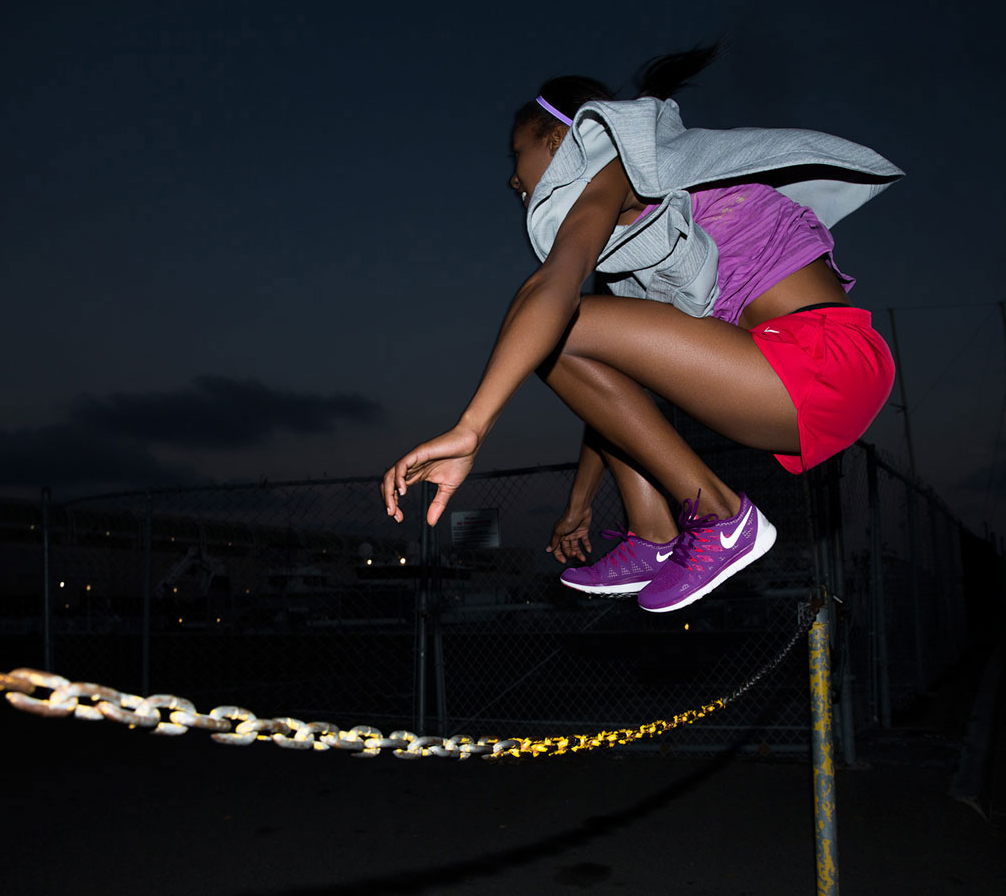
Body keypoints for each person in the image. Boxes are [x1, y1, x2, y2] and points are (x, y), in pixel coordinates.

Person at [380, 46, 902, 613]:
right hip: (795, 386)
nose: (512, 178)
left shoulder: (621, 167)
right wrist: (581, 500)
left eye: (517, 154)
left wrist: (472, 428)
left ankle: (721, 516)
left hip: (825, 359)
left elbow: (553, 285)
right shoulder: (637, 243)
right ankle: (653, 534)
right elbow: (609, 394)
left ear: (558, 141)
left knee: (553, 321)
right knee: (561, 339)